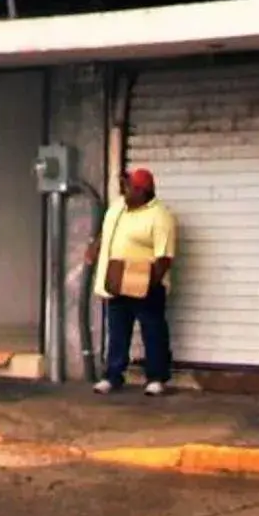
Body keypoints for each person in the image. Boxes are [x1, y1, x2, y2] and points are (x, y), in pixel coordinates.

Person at [93, 165, 178, 395]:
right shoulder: (119, 207)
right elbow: (107, 230)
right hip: (117, 279)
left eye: (129, 187)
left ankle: (156, 378)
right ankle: (113, 376)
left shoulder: (160, 217)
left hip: (145, 282)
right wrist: (95, 247)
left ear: (142, 191)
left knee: (153, 330)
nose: (124, 190)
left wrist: (148, 286)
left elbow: (164, 257)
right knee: (117, 330)